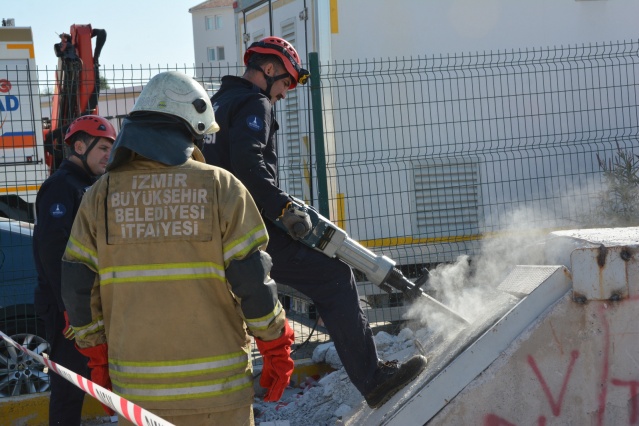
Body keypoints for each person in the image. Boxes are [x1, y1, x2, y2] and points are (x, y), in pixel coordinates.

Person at [201, 36, 428, 409]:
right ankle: (373, 381)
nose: (285, 94)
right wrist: (284, 210)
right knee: (335, 278)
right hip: (246, 227)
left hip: (218, 228)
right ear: (269, 69)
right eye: (285, 83)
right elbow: (249, 169)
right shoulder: (253, 101)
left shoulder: (217, 103)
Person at [61, 71, 293, 426]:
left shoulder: (100, 197)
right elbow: (252, 281)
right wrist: (275, 344)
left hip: (138, 398)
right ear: (191, 129)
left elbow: (78, 288)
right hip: (220, 393)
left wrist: (97, 357)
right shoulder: (221, 187)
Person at [33, 114, 116, 425]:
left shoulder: (88, 185)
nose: (109, 155)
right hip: (67, 309)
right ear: (80, 146)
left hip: (86, 302)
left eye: (111, 148)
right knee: (69, 386)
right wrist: (69, 308)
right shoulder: (61, 188)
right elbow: (54, 252)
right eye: (103, 149)